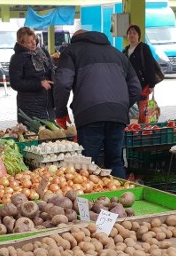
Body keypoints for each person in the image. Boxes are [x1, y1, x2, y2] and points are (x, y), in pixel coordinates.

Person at [54, 29, 141, 179]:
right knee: (115, 162)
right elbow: (136, 88)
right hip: (117, 116)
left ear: (75, 39)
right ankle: (121, 197)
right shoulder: (117, 54)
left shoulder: (71, 51)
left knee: (87, 164)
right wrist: (120, 106)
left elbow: (62, 83)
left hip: (90, 115)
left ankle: (91, 200)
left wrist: (61, 112)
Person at [9, 27, 56, 123]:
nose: (34, 43)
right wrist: (39, 83)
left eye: (34, 39)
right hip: (30, 108)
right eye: (29, 42)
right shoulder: (17, 58)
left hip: (49, 106)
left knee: (52, 135)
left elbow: (51, 70)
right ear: (21, 43)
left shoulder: (43, 52)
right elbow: (16, 83)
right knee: (34, 136)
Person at [123, 25, 157, 123]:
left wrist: (151, 84)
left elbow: (150, 66)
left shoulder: (143, 48)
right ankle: (130, 128)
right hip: (128, 86)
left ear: (139, 35)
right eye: (129, 33)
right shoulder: (125, 50)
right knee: (127, 107)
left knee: (143, 109)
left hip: (142, 85)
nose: (132, 35)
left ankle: (143, 130)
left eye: (134, 33)